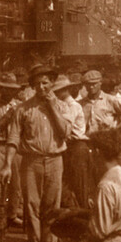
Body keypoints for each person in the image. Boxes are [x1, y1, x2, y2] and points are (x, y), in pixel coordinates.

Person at [0, 65, 71, 242]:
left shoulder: (62, 106)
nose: (42, 87)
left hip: (55, 160)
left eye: (46, 83)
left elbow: (65, 132)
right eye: (38, 83)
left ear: (51, 83)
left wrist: (51, 107)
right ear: (32, 86)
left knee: (52, 205)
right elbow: (13, 137)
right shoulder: (23, 109)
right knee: (31, 205)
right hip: (31, 161)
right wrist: (6, 164)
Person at [80, 68, 121, 177]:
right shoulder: (81, 104)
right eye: (88, 84)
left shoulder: (111, 100)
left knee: (120, 174)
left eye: (94, 84)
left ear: (100, 83)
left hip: (112, 144)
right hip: (93, 146)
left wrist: (118, 127)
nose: (91, 87)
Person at [0, 73, 23, 242]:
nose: (9, 92)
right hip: (0, 146)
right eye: (5, 89)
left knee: (16, 185)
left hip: (17, 148)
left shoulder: (20, 105)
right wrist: (9, 115)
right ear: (1, 89)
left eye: (12, 90)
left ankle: (12, 215)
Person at [53, 74, 89, 208]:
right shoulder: (62, 105)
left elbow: (64, 128)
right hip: (68, 147)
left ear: (65, 90)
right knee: (67, 182)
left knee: (79, 184)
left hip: (76, 147)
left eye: (58, 91)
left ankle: (84, 213)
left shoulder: (72, 106)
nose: (55, 94)